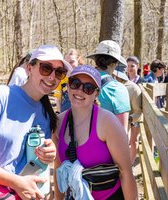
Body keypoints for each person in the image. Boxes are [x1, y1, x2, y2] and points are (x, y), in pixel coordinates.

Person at [0, 44, 72, 200]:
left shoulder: (46, 114)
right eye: (46, 68)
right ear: (29, 68)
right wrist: (16, 182)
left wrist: (47, 153)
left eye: (59, 72)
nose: (52, 77)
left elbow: (28, 161)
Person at [53, 65, 138, 200]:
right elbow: (59, 166)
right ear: (68, 86)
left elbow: (126, 173)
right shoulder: (58, 122)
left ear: (96, 93)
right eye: (75, 83)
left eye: (88, 88)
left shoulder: (107, 122)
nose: (80, 91)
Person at [87, 40, 130, 132]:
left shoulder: (82, 80)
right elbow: (122, 131)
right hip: (104, 143)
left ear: (96, 59)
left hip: (80, 142)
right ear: (114, 63)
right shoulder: (118, 89)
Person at [113, 64, 142, 165]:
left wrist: (128, 119)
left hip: (129, 125)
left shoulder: (133, 89)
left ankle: (130, 164)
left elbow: (138, 112)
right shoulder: (107, 86)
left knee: (131, 143)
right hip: (111, 126)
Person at [54, 48, 84, 113]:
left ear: (78, 61)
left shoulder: (84, 78)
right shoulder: (61, 78)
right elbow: (58, 100)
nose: (69, 65)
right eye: (66, 62)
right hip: (65, 115)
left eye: (72, 62)